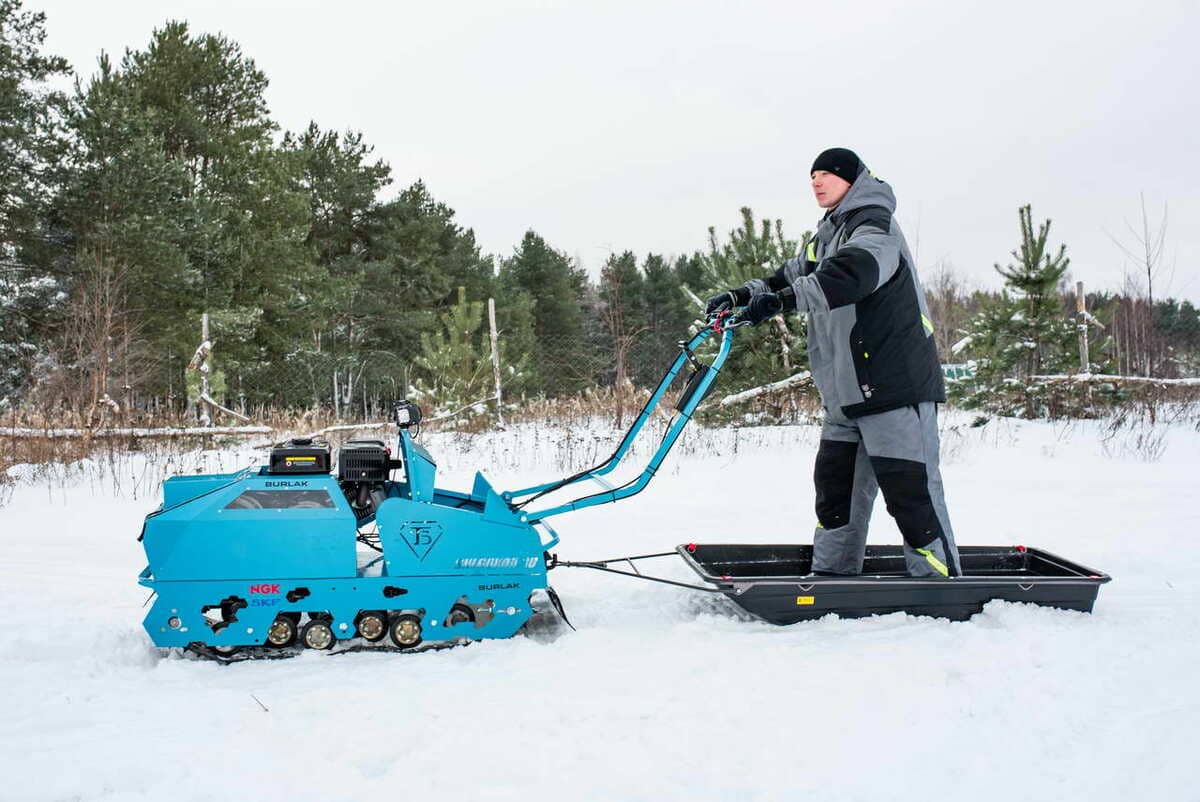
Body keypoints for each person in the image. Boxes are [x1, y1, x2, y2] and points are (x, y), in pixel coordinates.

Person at [706, 147, 961, 578]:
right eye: (812, 176)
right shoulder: (828, 233)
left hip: (892, 387)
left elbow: (851, 275)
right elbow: (788, 274)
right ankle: (834, 577)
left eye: (826, 174)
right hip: (845, 396)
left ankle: (943, 584)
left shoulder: (874, 226)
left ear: (852, 180)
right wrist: (742, 295)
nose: (817, 182)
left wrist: (782, 303)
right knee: (835, 493)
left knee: (911, 495)